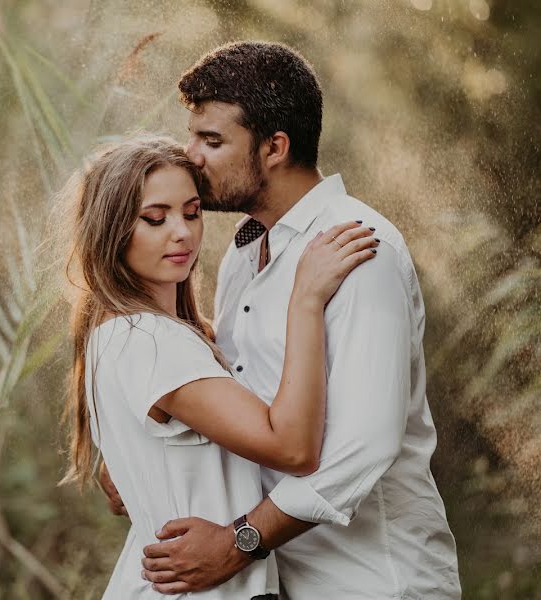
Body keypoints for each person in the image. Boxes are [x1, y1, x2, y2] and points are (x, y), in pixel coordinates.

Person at [105, 41, 462, 598]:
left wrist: (238, 541)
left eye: (213, 140)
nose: (190, 155)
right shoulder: (242, 259)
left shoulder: (358, 250)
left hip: (369, 580)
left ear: (274, 147)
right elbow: (240, 412)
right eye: (193, 134)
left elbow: (362, 447)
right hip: (275, 581)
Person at [60, 134, 379, 599]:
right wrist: (305, 300)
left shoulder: (122, 331)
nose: (182, 232)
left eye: (191, 212)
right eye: (155, 218)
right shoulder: (150, 340)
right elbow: (292, 448)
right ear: (111, 231)